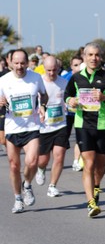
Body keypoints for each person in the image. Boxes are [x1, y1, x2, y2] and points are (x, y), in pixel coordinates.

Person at [64, 42, 105, 217]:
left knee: (101, 166)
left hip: (102, 125)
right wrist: (70, 101)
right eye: (90, 55)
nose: (93, 58)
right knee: (88, 164)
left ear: (101, 57)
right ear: (84, 56)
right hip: (83, 126)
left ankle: (96, 186)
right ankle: (91, 203)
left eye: (96, 55)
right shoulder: (76, 78)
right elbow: (67, 95)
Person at [0, 49, 48, 213]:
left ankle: (27, 185)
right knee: (14, 166)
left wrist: (42, 106)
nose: (19, 66)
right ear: (10, 63)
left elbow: (44, 95)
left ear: (27, 63)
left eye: (22, 63)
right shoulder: (3, 80)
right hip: (12, 127)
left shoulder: (35, 77)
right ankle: (18, 199)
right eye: (16, 63)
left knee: (32, 161)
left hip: (32, 127)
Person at [35, 55, 69, 197]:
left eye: (54, 70)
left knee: (59, 156)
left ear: (58, 68)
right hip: (43, 127)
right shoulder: (38, 82)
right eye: (48, 70)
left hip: (60, 125)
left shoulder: (64, 82)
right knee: (43, 160)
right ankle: (41, 169)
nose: (51, 73)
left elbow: (68, 100)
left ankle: (52, 186)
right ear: (44, 68)